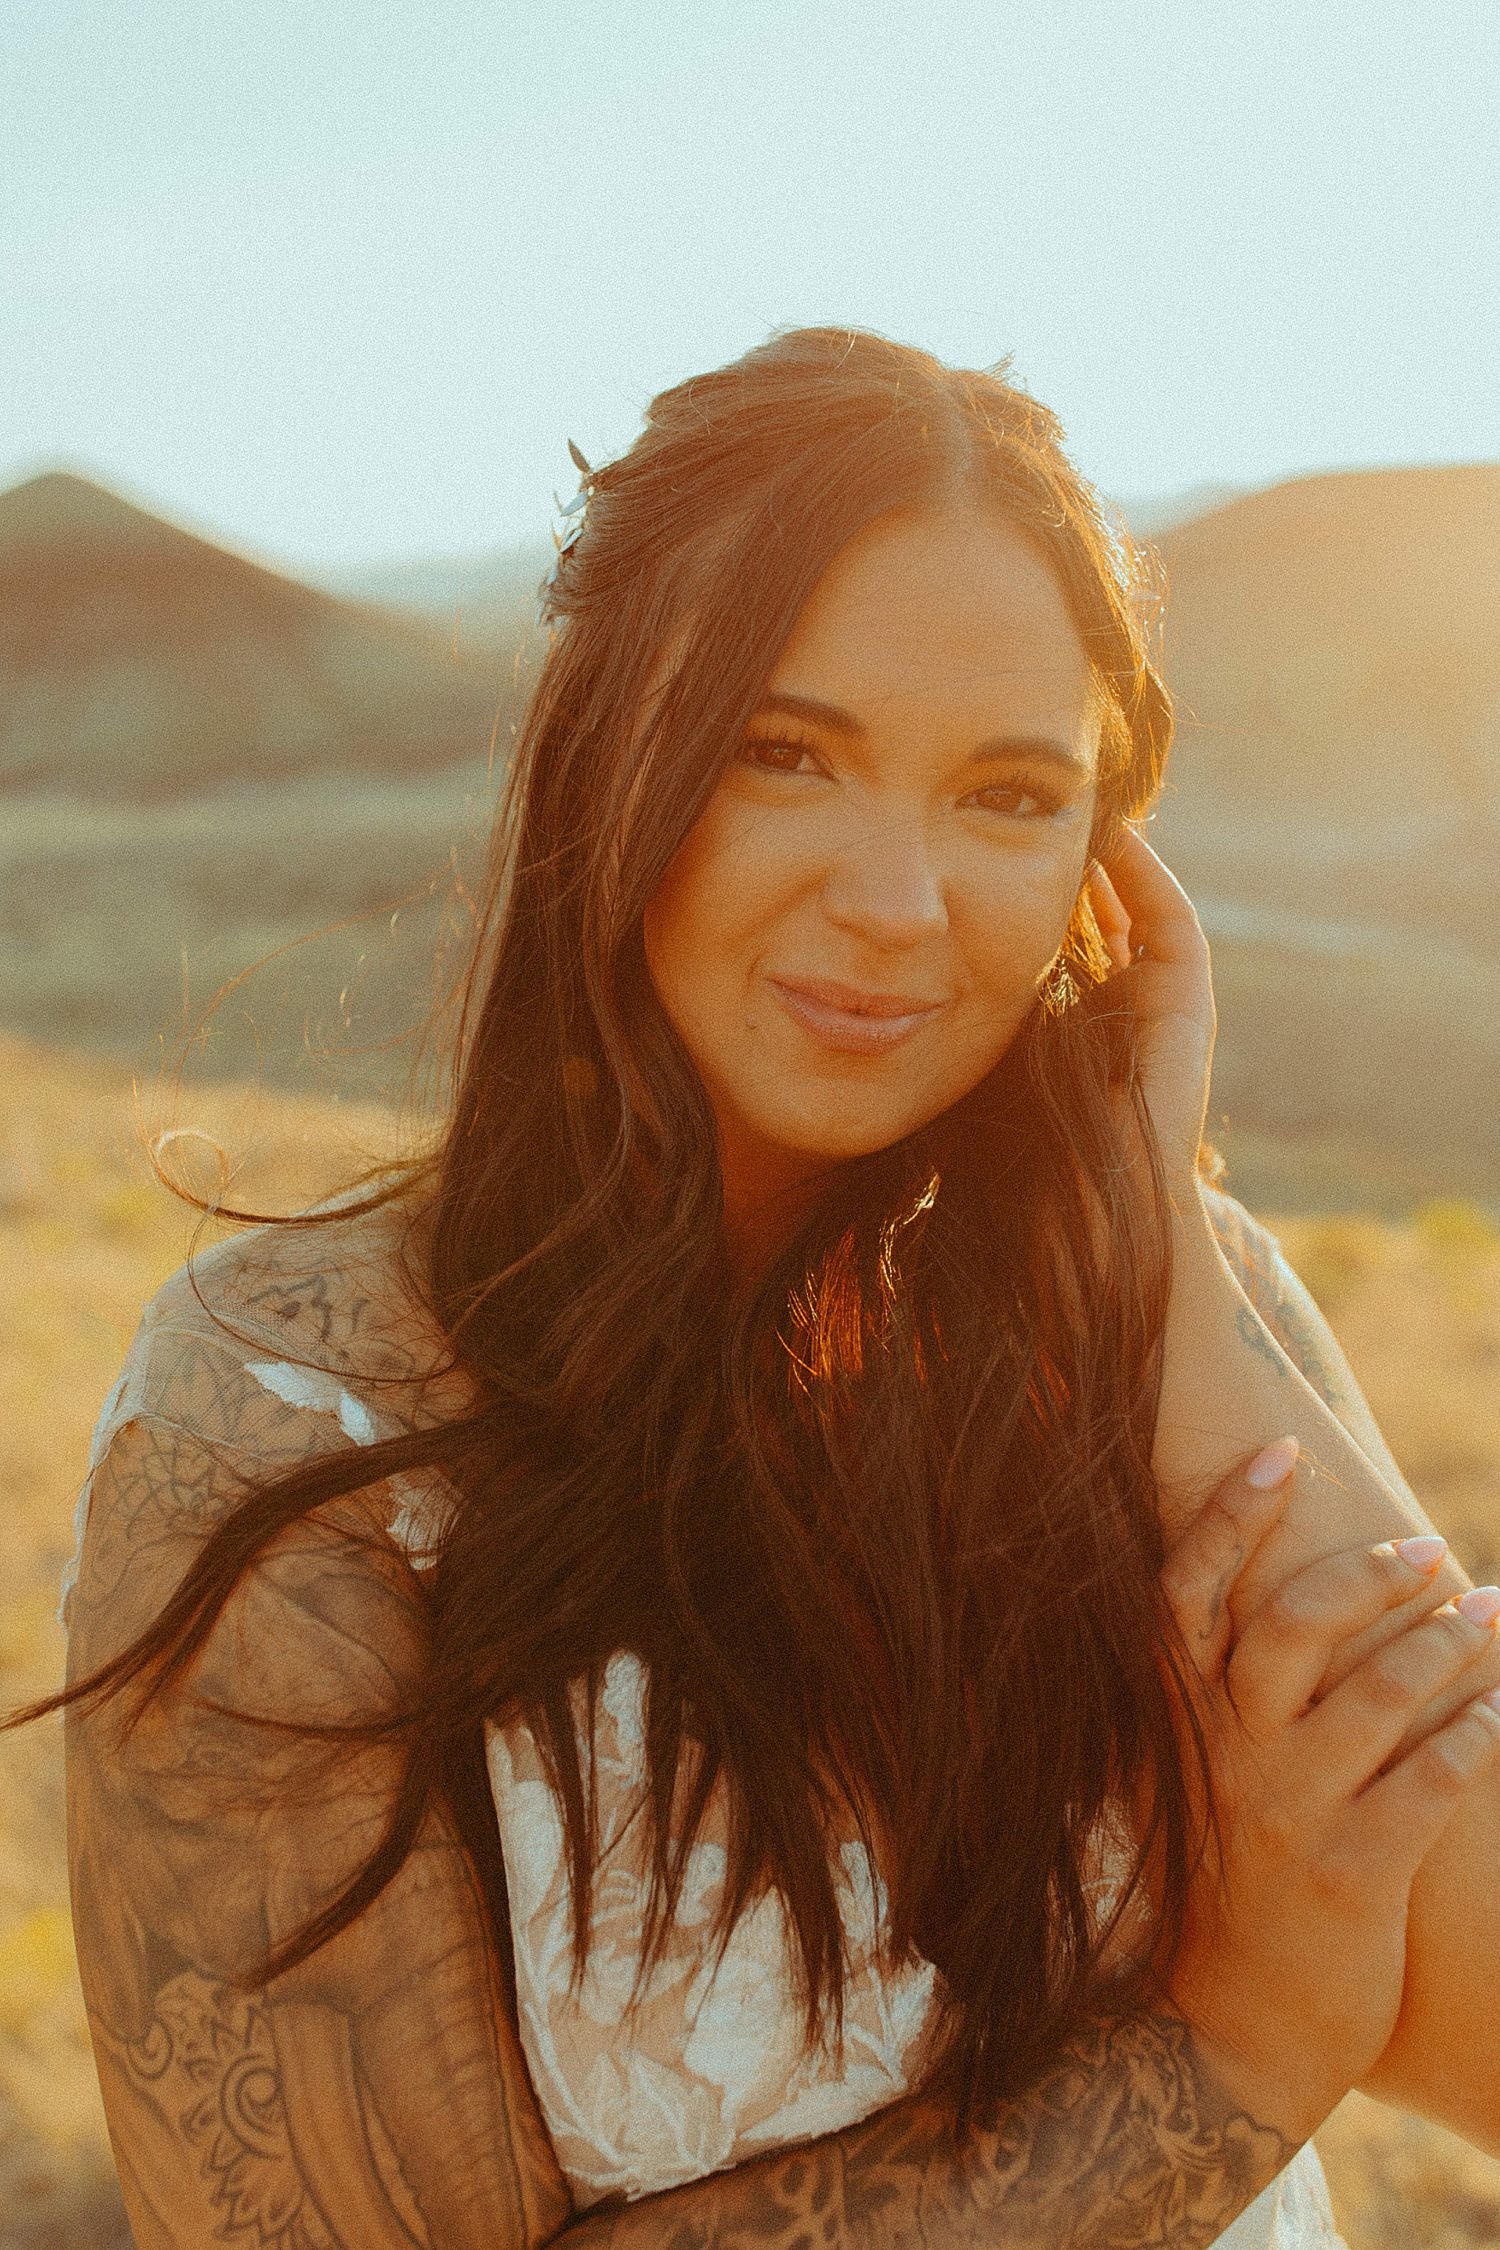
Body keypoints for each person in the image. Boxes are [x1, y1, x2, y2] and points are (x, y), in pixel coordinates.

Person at [19, 326, 1500, 2249]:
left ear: (1108, 873)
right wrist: (1227, 2057)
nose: (898, 901)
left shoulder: (1177, 1310)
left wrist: (1150, 1240)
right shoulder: (284, 1431)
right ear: (600, 757)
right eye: (784, 754)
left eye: (1008, 795)